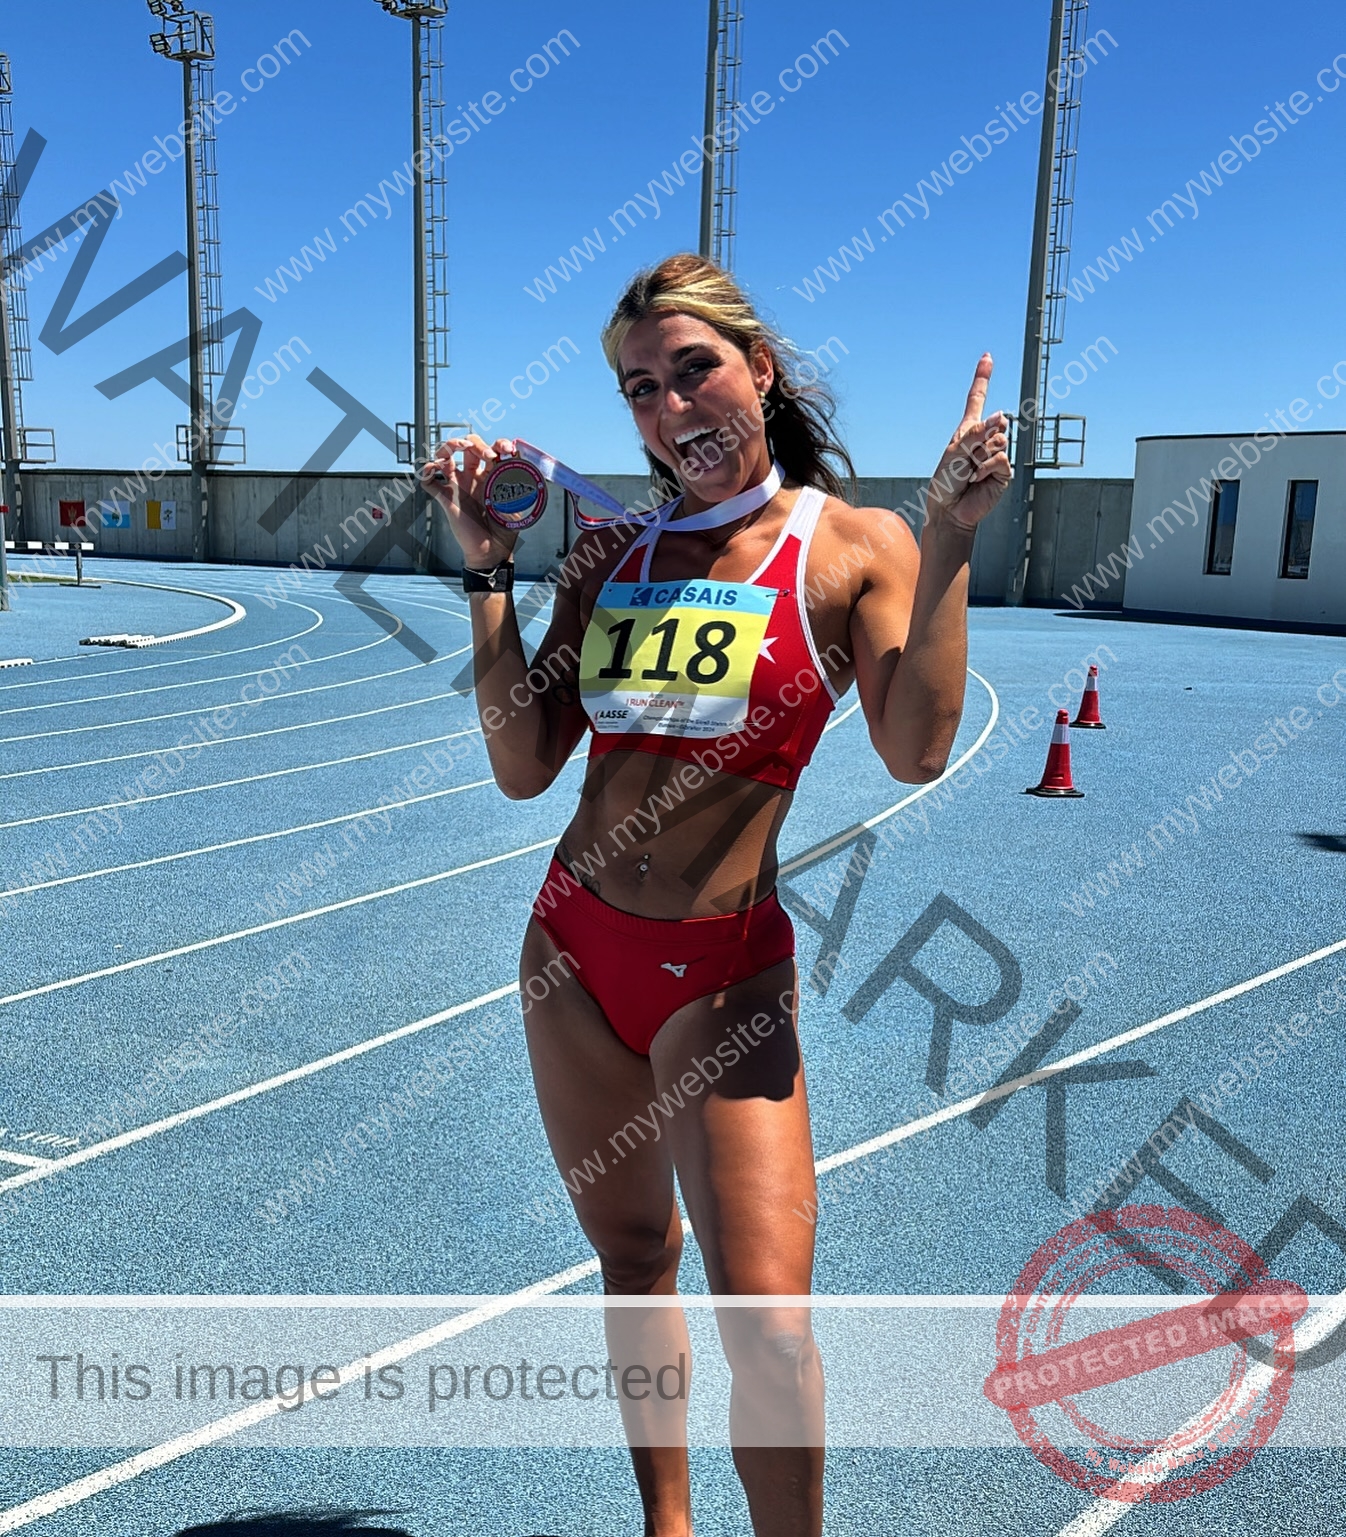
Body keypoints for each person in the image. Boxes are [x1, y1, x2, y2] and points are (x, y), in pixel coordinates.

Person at [422, 253, 1010, 1537]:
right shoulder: (611, 557)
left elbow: (914, 747)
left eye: (693, 369)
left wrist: (955, 532)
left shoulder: (851, 545)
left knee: (769, 1328)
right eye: (639, 388)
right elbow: (526, 768)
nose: (670, 405)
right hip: (572, 959)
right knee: (633, 1265)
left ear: (760, 373)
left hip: (722, 979)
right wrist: (486, 575)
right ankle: (666, 1527)